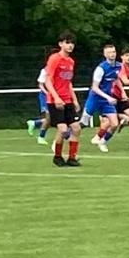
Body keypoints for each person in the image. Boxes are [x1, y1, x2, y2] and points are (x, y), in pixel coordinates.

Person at [41, 33, 83, 168]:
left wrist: (74, 100)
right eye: (67, 42)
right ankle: (57, 156)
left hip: (67, 100)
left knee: (76, 128)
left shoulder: (71, 62)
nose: (70, 45)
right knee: (63, 129)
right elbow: (48, 80)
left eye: (72, 43)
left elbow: (68, 82)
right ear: (60, 44)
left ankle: (72, 158)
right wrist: (56, 97)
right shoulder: (54, 58)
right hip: (54, 101)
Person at [82, 42, 123, 151]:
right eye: (109, 52)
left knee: (114, 124)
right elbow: (94, 87)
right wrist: (108, 97)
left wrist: (122, 92)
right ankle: (61, 137)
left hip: (106, 100)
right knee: (82, 124)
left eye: (113, 52)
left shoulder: (119, 66)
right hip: (95, 98)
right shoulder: (100, 68)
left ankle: (102, 142)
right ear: (105, 54)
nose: (112, 54)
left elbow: (116, 78)